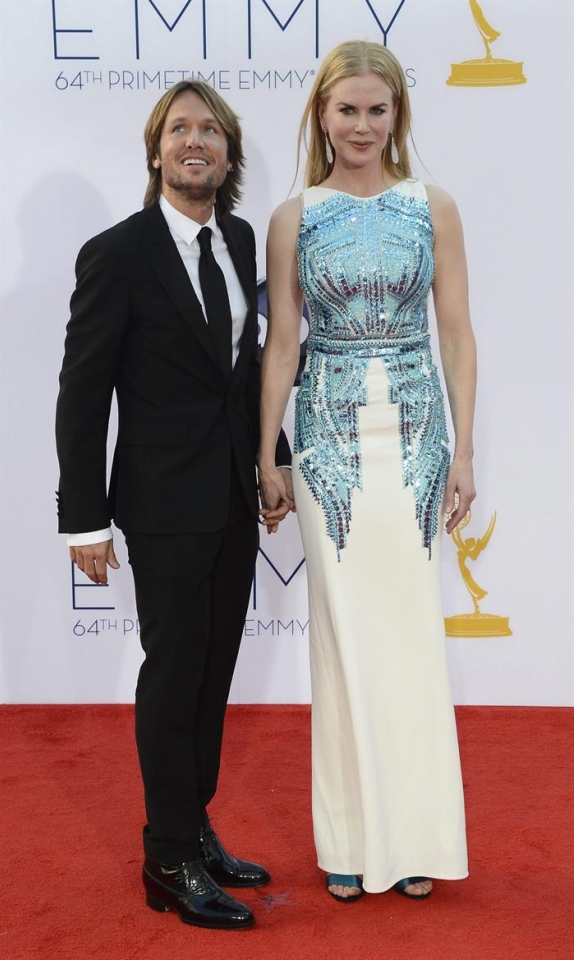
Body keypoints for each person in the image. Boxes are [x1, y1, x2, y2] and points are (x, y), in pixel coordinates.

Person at [55, 79, 291, 930]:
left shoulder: (233, 236)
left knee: (213, 676)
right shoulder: (115, 253)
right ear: (157, 150)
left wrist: (275, 461)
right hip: (159, 507)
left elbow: (247, 366)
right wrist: (82, 518)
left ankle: (193, 827)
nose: (197, 141)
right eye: (180, 129)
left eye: (212, 131)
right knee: (173, 677)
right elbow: (82, 397)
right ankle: (167, 859)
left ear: (228, 154)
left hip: (231, 494)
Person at [258, 41, 476, 903]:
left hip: (417, 435)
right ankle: (348, 838)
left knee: (414, 635)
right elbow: (281, 342)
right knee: (343, 641)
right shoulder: (293, 215)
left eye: (376, 110)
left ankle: (417, 838)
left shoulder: (436, 206)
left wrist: (464, 450)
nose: (361, 125)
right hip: (326, 443)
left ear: (398, 117)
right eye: (346, 109)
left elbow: (456, 331)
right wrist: (263, 451)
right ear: (322, 114)